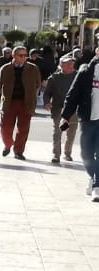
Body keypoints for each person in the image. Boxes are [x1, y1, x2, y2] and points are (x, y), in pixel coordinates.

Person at [60, 49, 99, 202]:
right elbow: (73, 95)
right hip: (88, 119)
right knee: (86, 154)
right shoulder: (86, 71)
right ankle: (93, 176)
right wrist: (65, 117)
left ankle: (97, 185)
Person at [0, 45, 42, 160]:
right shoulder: (5, 68)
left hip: (26, 102)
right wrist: (3, 97)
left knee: (23, 129)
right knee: (5, 127)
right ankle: (8, 144)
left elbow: (38, 84)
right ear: (14, 56)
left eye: (25, 55)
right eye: (21, 55)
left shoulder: (33, 68)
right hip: (9, 102)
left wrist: (32, 96)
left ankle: (18, 151)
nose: (24, 57)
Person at [44, 52, 79, 165]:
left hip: (74, 110)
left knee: (71, 132)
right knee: (58, 132)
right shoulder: (54, 78)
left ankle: (67, 153)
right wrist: (47, 102)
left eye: (71, 63)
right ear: (61, 65)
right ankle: (56, 155)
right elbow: (47, 93)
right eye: (67, 63)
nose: (70, 65)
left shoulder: (78, 76)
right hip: (59, 108)